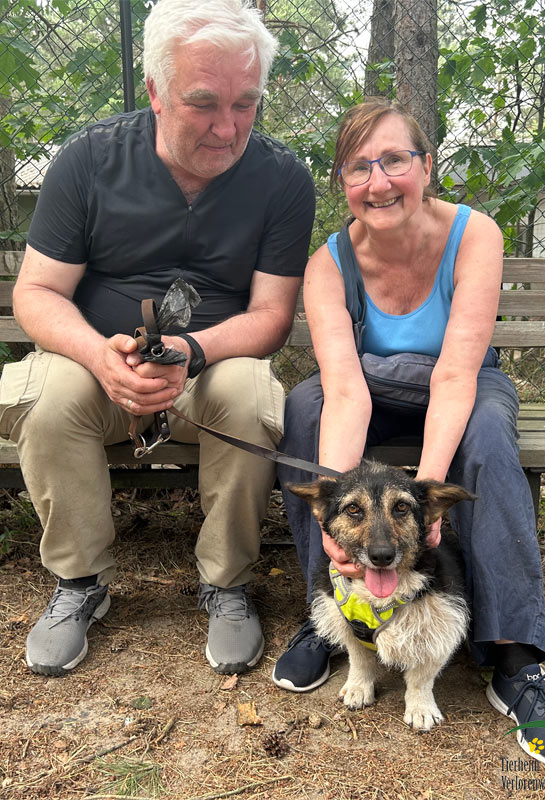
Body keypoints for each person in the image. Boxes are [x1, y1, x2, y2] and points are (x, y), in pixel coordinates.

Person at [0, 0, 315, 678]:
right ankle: (80, 581)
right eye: (203, 104)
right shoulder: (88, 160)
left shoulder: (283, 179)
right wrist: (98, 356)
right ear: (155, 91)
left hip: (210, 370)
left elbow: (271, 315)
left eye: (246, 103)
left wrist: (192, 353)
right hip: (99, 366)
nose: (228, 127)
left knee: (249, 390)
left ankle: (227, 583)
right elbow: (37, 293)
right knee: (48, 397)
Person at [272, 98, 545, 768]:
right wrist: (333, 518)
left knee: (490, 434)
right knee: (304, 405)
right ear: (342, 181)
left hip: (461, 379)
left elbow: (455, 375)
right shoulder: (329, 263)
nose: (379, 181)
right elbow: (345, 387)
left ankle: (513, 655)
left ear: (426, 165)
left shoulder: (474, 235)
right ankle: (333, 612)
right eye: (359, 167)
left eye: (395, 160)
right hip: (371, 385)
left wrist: (428, 500)